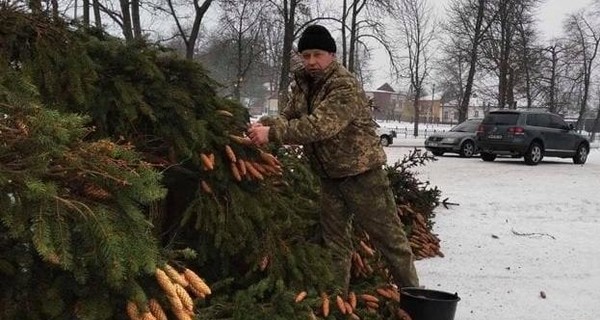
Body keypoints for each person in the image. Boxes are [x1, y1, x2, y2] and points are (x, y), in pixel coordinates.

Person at [247, 24, 419, 293]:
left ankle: (415, 299)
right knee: (335, 244)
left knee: (391, 241)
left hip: (362, 176)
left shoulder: (344, 86)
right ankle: (336, 298)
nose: (312, 62)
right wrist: (264, 124)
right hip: (329, 177)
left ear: (332, 55)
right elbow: (288, 116)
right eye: (306, 56)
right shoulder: (304, 85)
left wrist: (272, 133)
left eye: (318, 54)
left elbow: (319, 126)